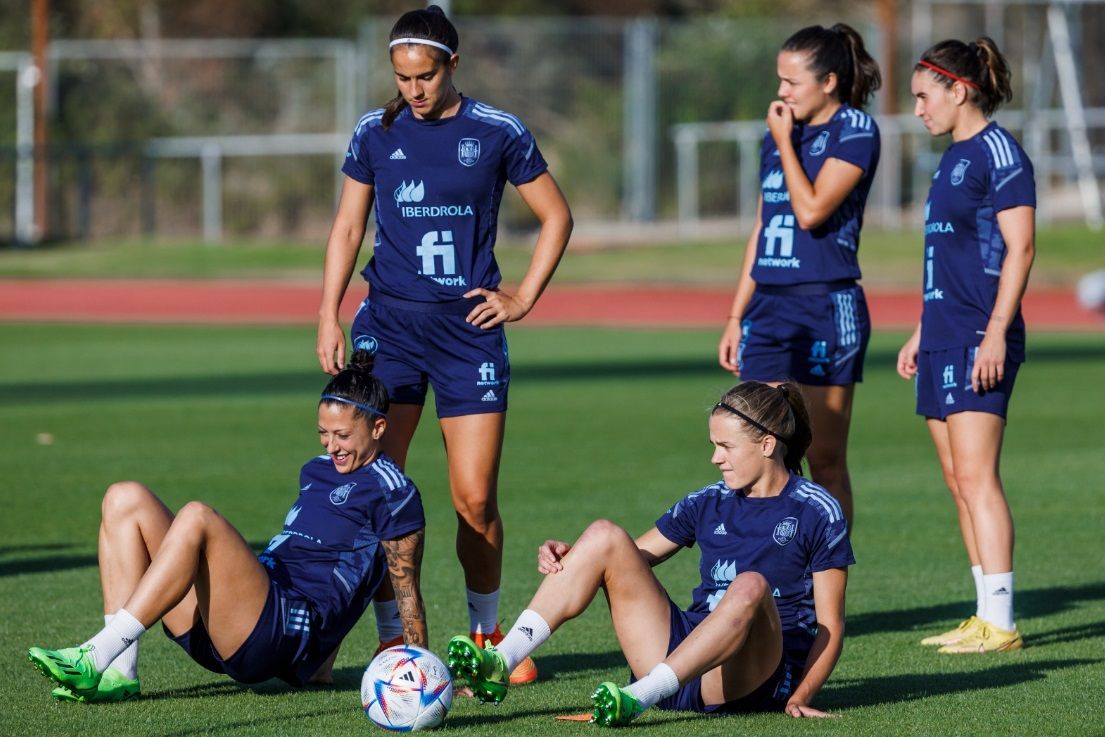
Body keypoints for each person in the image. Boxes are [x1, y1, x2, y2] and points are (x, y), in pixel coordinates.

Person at [315, 5, 572, 685]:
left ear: (451, 65)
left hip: (468, 335)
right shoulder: (375, 131)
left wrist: (523, 296)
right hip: (386, 330)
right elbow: (346, 228)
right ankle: (391, 636)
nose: (413, 90)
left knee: (474, 499)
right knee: (379, 488)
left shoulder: (496, 131)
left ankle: (486, 636)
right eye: (401, 78)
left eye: (425, 76)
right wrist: (327, 311)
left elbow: (556, 215)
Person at [27, 351, 427, 702]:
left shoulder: (394, 492)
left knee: (198, 516)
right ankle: (118, 672)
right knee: (123, 497)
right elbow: (332, 557)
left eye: (342, 435)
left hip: (276, 634)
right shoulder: (317, 470)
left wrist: (419, 668)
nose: (330, 446)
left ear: (378, 429)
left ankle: (95, 654)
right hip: (235, 620)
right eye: (323, 433)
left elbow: (402, 583)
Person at [447, 382, 853, 726]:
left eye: (725, 446)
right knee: (604, 534)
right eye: (713, 445)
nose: (715, 458)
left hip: (752, 674)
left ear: (767, 444)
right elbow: (631, 556)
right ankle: (502, 660)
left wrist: (800, 696)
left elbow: (829, 626)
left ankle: (638, 697)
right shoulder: (707, 500)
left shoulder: (818, 510)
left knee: (750, 584)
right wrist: (579, 556)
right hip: (679, 653)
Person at [897, 37, 1034, 654]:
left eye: (926, 96)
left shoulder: (999, 152)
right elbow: (950, 257)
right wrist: (922, 331)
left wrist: (997, 332)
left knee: (979, 478)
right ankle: (983, 614)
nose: (919, 108)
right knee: (957, 479)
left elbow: (1021, 248)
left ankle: (1002, 623)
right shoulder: (950, 158)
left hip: (980, 335)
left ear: (960, 89)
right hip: (942, 335)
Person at [718, 24, 882, 527]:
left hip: (825, 308)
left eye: (792, 82)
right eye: (779, 81)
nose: (782, 93)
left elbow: (810, 211)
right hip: (768, 310)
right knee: (764, 456)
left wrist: (785, 142)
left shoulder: (855, 130)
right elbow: (764, 227)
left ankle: (827, 595)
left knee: (824, 459)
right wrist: (735, 314)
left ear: (829, 81)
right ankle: (774, 592)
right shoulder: (782, 133)